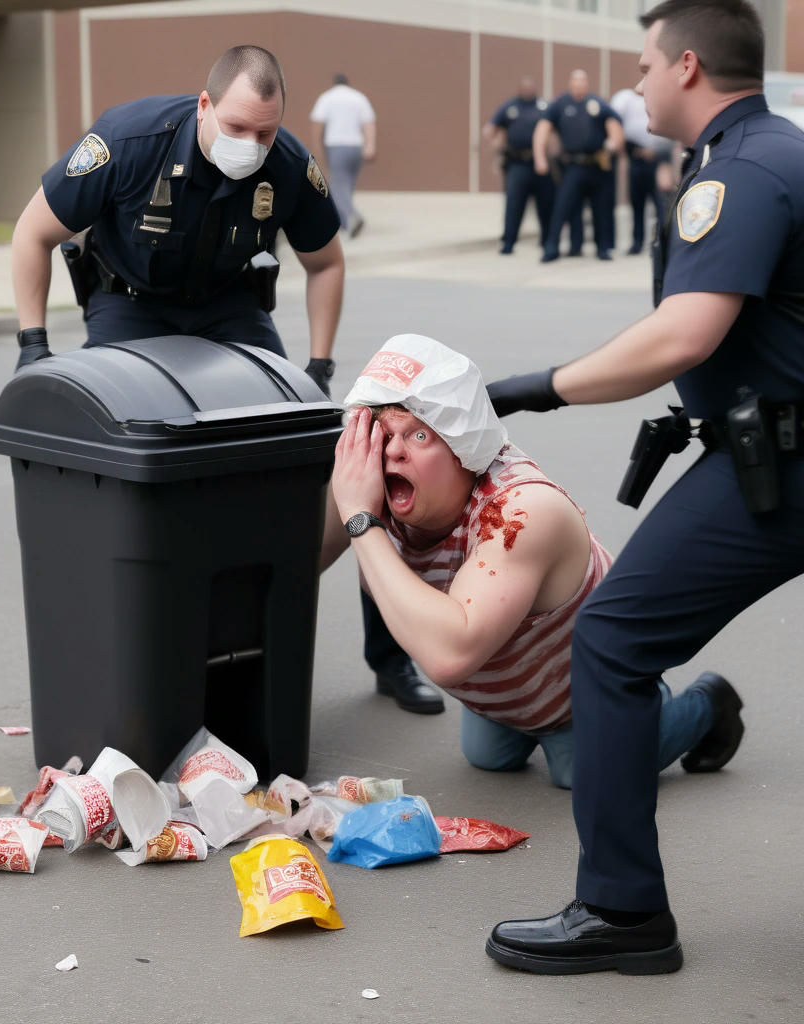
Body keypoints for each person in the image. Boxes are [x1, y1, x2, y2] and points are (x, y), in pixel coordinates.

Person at [484, 0, 804, 975]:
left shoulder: (739, 171)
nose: (633, 83)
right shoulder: (769, 152)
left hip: (783, 462)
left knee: (613, 637)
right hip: (764, 443)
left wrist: (533, 389)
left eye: (642, 65)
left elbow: (682, 335)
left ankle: (621, 910)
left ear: (689, 66)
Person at [322, 334, 740, 788]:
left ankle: (702, 704)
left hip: (585, 689)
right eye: (380, 434)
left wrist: (361, 522)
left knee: (579, 772)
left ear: (465, 447)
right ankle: (524, 719)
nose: (393, 452)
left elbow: (448, 656)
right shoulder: (372, 483)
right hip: (507, 689)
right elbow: (299, 565)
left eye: (419, 434)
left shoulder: (521, 510)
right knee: (488, 757)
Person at [11, 45, 344, 396]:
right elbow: (33, 233)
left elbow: (325, 264)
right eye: (236, 127)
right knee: (112, 413)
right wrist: (33, 345)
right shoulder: (128, 143)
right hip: (131, 301)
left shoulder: (289, 166)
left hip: (227, 303)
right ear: (204, 106)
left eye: (264, 133)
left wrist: (319, 367)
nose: (250, 145)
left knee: (281, 407)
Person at [534, 70, 624, 262]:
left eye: (583, 80)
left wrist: (613, 144)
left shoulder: (597, 103)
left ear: (587, 83)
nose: (579, 84)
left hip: (597, 164)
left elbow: (614, 125)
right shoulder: (560, 104)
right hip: (573, 165)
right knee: (562, 207)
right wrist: (539, 157)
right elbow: (543, 128)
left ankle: (603, 248)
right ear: (570, 83)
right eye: (576, 80)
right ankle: (552, 247)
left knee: (600, 208)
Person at [485, 77, 554, 255]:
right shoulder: (510, 107)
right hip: (517, 163)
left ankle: (547, 240)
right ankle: (508, 242)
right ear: (519, 88)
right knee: (514, 204)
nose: (527, 89)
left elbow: (554, 130)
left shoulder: (543, 106)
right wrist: (496, 147)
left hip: (539, 162)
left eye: (530, 86)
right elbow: (491, 128)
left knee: (545, 203)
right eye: (524, 86)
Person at [309, 73, 376, 238]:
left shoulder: (327, 97)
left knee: (338, 185)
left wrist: (317, 147)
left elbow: (317, 123)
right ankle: (345, 221)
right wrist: (370, 145)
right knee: (348, 184)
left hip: (336, 145)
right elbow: (368, 122)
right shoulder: (359, 98)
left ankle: (353, 217)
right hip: (356, 145)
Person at [610, 85, 676, 254]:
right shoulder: (628, 102)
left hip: (657, 160)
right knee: (636, 203)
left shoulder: (663, 103)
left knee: (661, 204)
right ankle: (637, 242)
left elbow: (671, 138)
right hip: (636, 159)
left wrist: (660, 158)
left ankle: (664, 243)